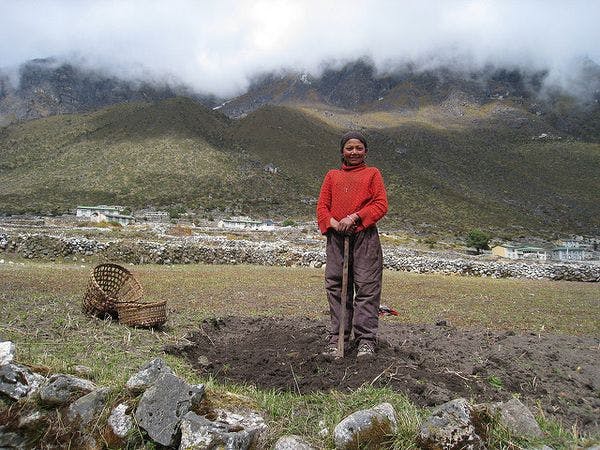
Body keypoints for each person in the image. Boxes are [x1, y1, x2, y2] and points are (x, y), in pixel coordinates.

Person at [316, 131, 388, 357]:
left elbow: (380, 204)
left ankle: (366, 339)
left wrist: (355, 217)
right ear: (342, 152)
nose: (354, 152)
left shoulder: (372, 174)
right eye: (349, 148)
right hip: (337, 239)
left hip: (364, 238)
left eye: (359, 148)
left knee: (367, 287)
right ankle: (338, 338)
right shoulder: (332, 176)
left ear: (365, 151)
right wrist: (334, 223)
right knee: (337, 287)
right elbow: (322, 207)